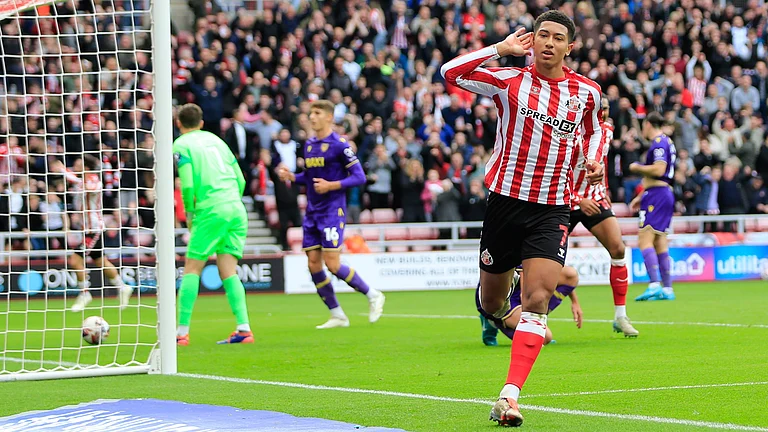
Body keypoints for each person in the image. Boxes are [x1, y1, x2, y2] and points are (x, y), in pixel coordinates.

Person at [441, 11, 604, 427]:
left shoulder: (586, 92)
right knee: (492, 301)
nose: (548, 43)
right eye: (541, 35)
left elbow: (595, 130)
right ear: (532, 40)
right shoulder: (509, 80)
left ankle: (509, 396)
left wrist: (594, 159)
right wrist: (501, 49)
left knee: (535, 301)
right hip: (504, 204)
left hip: (552, 209)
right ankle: (498, 297)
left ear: (571, 46)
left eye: (557, 38)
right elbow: (450, 73)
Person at [278, 100, 386, 329]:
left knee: (333, 264)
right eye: (311, 113)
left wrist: (332, 185)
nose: (312, 117)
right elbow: (308, 177)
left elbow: (359, 177)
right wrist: (292, 177)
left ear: (329, 117)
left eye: (316, 113)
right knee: (313, 264)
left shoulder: (339, 145)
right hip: (312, 211)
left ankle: (373, 294)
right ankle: (337, 314)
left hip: (331, 210)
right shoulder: (309, 145)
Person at [172, 103, 253, 345]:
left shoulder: (181, 144)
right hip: (236, 208)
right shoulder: (218, 141)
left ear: (178, 123)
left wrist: (189, 213)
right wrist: (231, 200)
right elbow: (240, 178)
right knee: (228, 270)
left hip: (211, 209)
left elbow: (186, 184)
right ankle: (244, 328)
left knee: (192, 268)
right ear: (202, 122)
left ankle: (180, 333)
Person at [569, 97, 638, 337]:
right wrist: (578, 200)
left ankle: (620, 316)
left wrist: (604, 189)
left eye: (607, 109)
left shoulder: (607, 131)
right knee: (543, 261)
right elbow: (556, 170)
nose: (603, 113)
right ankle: (528, 315)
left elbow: (602, 163)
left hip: (595, 198)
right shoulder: (568, 131)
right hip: (564, 200)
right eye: (599, 109)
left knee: (618, 249)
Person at [52, 157, 133, 312]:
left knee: (75, 260)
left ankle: (85, 293)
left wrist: (65, 172)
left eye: (78, 165)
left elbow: (88, 187)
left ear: (87, 167)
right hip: (86, 229)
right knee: (100, 262)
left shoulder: (94, 180)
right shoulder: (81, 181)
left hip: (94, 229)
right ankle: (122, 287)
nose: (75, 167)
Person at [630, 112, 677, 301]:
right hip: (663, 193)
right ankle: (667, 289)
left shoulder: (658, 142)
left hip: (656, 195)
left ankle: (654, 284)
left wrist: (636, 167)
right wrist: (641, 196)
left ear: (648, 124)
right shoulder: (668, 141)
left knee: (644, 239)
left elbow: (658, 169)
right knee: (660, 241)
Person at [478, 266, 582, 347]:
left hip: (528, 287)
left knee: (570, 274)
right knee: (544, 338)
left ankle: (532, 325)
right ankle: (493, 319)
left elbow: (555, 273)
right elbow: (523, 269)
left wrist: (575, 302)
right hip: (504, 294)